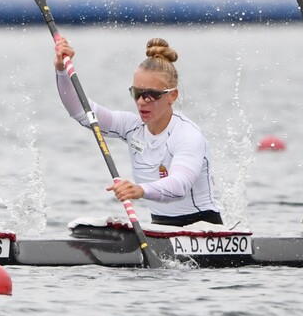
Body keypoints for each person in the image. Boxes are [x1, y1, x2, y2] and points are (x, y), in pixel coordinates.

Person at [53, 36, 222, 227]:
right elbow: (81, 111)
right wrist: (61, 70)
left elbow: (180, 185)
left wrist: (139, 190)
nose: (142, 101)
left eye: (152, 95)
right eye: (137, 93)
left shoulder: (187, 135)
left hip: (204, 228)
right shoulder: (132, 127)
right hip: (160, 226)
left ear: (172, 96)